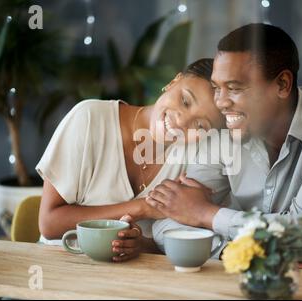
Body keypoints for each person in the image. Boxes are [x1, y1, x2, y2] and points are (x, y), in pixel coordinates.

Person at [147, 24, 302, 275]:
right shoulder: (226, 129)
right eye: (216, 88)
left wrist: (206, 213)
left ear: (282, 84)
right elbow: (170, 220)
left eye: (235, 88)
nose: (221, 102)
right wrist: (242, 255)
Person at [36, 58, 225, 262]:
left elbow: (165, 243)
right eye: (185, 101)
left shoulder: (196, 161)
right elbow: (49, 224)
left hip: (128, 280)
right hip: (59, 266)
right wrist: (143, 208)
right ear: (173, 82)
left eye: (200, 126)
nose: (182, 121)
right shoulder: (90, 119)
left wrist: (141, 245)